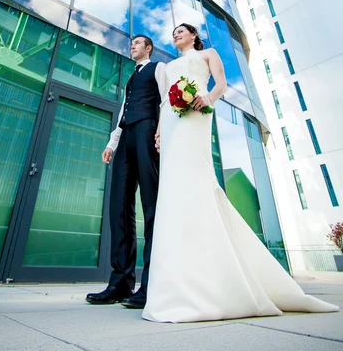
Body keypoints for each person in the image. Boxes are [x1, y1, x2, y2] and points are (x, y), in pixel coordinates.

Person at [142, 24, 339, 322]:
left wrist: (207, 98)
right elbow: (164, 102)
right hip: (170, 124)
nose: (176, 35)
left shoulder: (208, 54)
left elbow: (220, 84)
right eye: (174, 33)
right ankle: (177, 282)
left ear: (194, 35)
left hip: (195, 116)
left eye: (182, 31)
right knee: (173, 190)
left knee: (195, 181)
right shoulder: (167, 66)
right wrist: (158, 131)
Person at [86, 35, 166, 309]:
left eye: (137, 43)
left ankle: (151, 284)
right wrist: (112, 143)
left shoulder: (158, 69)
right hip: (127, 136)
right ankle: (119, 283)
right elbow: (123, 111)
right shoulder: (132, 78)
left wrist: (160, 131)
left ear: (149, 48)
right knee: (118, 206)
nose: (132, 46)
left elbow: (167, 101)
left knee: (151, 207)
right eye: (131, 44)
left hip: (147, 132)